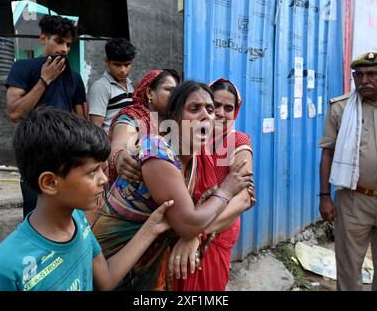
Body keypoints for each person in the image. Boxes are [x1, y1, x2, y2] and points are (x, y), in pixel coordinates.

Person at [0, 107, 174, 291]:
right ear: (50, 183)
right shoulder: (3, 271)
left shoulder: (78, 222)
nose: (104, 179)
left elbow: (106, 279)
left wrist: (152, 228)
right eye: (92, 172)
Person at [91, 80, 252, 290]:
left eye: (210, 109)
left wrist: (197, 234)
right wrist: (226, 189)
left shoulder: (202, 153)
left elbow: (246, 195)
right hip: (112, 260)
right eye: (195, 109)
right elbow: (188, 224)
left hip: (155, 254)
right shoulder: (158, 152)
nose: (211, 115)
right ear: (174, 118)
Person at [171, 78, 256, 290]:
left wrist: (197, 234)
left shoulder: (238, 141)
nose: (220, 113)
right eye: (215, 105)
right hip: (183, 225)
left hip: (217, 231)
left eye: (229, 108)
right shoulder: (186, 139)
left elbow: (243, 197)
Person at [5, 14, 87, 219]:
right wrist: (44, 80)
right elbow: (15, 113)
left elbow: (81, 120)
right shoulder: (23, 68)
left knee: (67, 213)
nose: (65, 49)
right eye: (59, 41)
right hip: (35, 152)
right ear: (43, 39)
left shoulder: (74, 78)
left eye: (68, 44)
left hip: (66, 153)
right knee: (36, 213)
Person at [319, 50, 377, 291]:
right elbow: (327, 151)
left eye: (372, 74)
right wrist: (325, 197)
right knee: (348, 267)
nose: (364, 80)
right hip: (354, 198)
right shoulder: (340, 108)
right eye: (359, 75)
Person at [85, 69, 180, 225]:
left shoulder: (177, 123)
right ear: (150, 93)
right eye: (169, 89)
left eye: (177, 91)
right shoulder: (133, 116)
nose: (174, 96)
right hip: (125, 213)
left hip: (164, 211)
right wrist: (119, 155)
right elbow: (119, 143)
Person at [87, 38, 136, 134]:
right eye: (117, 65)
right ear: (107, 61)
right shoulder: (101, 87)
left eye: (127, 65)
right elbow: (96, 127)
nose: (123, 70)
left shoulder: (130, 86)